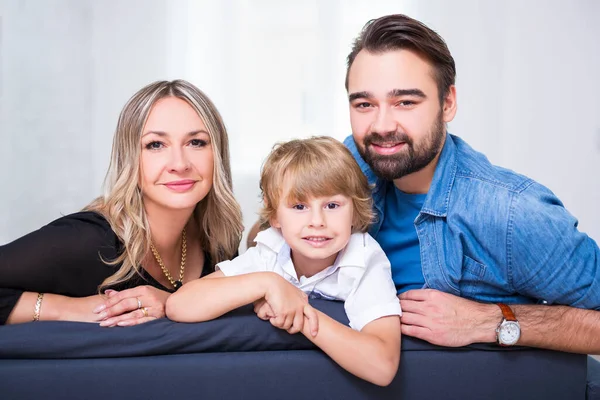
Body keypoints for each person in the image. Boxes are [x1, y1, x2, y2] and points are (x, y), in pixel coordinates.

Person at [343, 14, 600, 354]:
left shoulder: (511, 213)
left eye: (405, 102)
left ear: (447, 103)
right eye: (365, 104)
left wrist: (489, 321)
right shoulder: (350, 165)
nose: (382, 125)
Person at [0, 80, 243, 327]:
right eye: (155, 145)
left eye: (196, 142)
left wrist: (170, 303)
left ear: (218, 154)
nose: (179, 164)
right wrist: (65, 308)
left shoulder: (219, 240)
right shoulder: (88, 239)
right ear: (130, 158)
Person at [167, 136, 402, 386]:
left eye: (332, 205)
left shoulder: (365, 258)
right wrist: (267, 284)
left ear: (354, 210)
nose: (317, 221)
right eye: (299, 207)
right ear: (275, 216)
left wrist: (298, 314)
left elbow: (382, 367)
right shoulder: (270, 249)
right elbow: (179, 305)